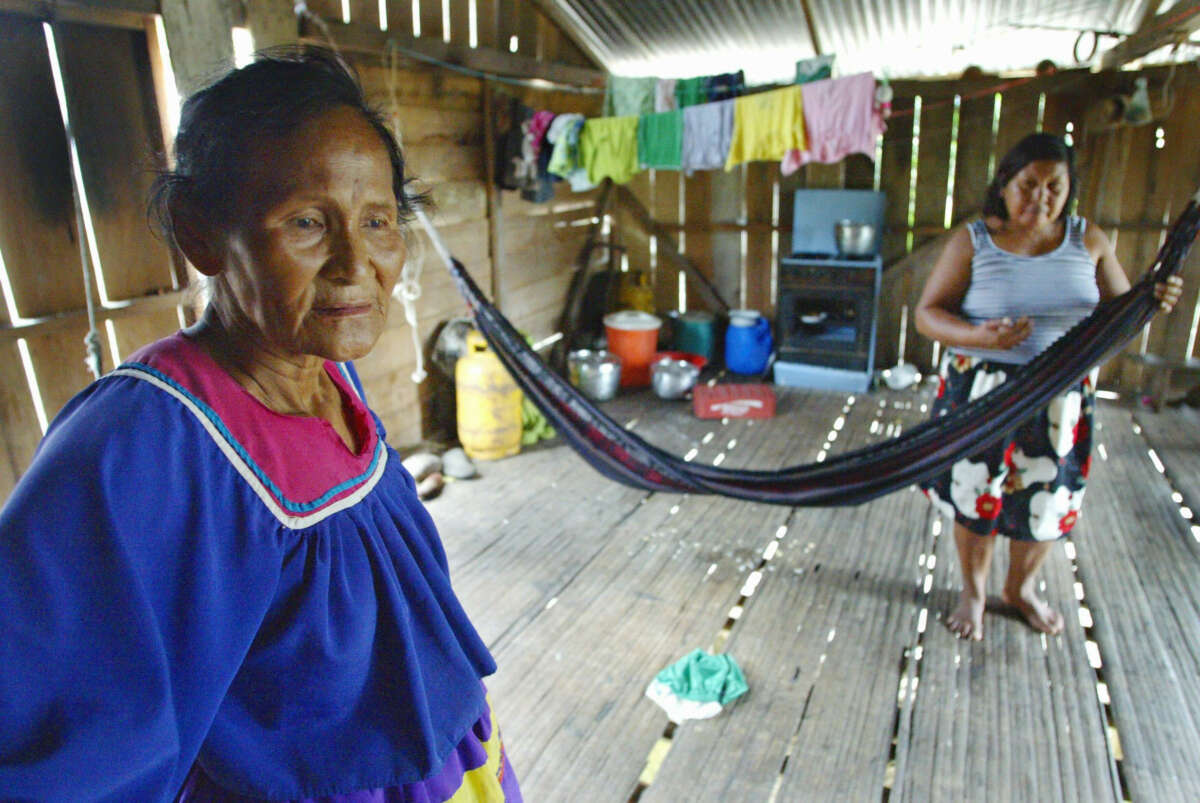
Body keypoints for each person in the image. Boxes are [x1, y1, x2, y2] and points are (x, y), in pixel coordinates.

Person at [0, 47, 521, 801]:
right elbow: (47, 721)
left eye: (377, 220)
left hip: (450, 768)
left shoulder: (323, 370)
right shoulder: (142, 445)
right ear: (199, 233)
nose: (355, 263)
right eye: (307, 222)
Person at [915, 132, 1183, 641]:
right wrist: (977, 335)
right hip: (983, 393)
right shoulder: (975, 241)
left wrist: (1155, 299)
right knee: (977, 500)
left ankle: (1020, 589)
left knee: (1046, 501)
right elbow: (928, 315)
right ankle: (974, 592)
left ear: (1069, 190)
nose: (1039, 198)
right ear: (1005, 185)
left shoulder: (1090, 241)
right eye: (1028, 185)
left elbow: (1123, 317)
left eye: (1053, 187)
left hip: (1060, 398)